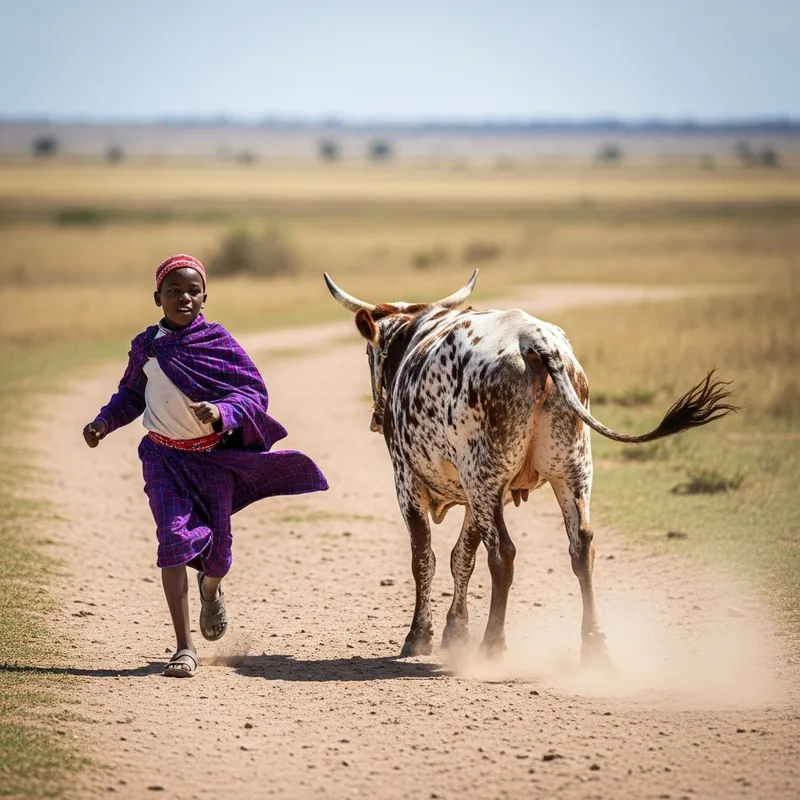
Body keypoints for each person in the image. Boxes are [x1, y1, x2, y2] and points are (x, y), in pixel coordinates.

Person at [83, 254, 328, 678]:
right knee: (173, 540)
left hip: (213, 460)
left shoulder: (217, 341)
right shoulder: (147, 346)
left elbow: (253, 393)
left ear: (205, 297)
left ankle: (210, 589)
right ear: (157, 296)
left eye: (192, 291)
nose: (184, 297)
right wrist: (104, 421)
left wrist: (220, 412)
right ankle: (183, 647)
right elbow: (130, 395)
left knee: (218, 558)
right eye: (174, 291)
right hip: (163, 458)